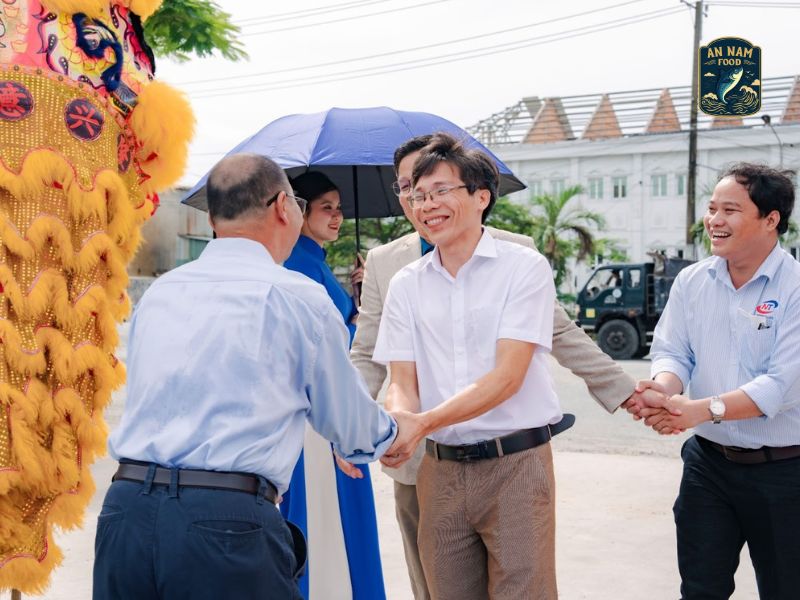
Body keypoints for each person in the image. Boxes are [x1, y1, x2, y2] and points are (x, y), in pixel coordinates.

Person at [94, 153, 412, 600]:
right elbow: (352, 427)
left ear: (213, 216)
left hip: (125, 511)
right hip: (225, 519)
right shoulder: (298, 295)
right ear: (284, 206)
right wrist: (397, 430)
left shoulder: (162, 292)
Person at [350, 135, 639, 599]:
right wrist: (393, 419)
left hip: (515, 466)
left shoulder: (522, 265)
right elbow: (399, 379)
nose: (426, 204)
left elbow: (510, 375)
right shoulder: (402, 280)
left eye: (441, 191)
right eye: (416, 194)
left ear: (481, 196)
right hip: (438, 468)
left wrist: (418, 423)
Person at [633, 163, 800, 599]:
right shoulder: (693, 281)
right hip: (708, 467)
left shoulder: (797, 287)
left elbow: (780, 385)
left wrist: (696, 411)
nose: (714, 220)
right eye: (711, 208)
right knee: (700, 588)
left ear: (770, 220)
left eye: (730, 210)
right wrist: (665, 389)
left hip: (786, 472)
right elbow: (674, 351)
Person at [281, 170, 384, 600]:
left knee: (334, 517)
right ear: (300, 211)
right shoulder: (298, 264)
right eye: (327, 207)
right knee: (325, 517)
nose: (338, 217)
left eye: (340, 208)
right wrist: (358, 321)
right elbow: (325, 344)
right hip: (318, 413)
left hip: (328, 403)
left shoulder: (314, 260)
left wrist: (357, 301)